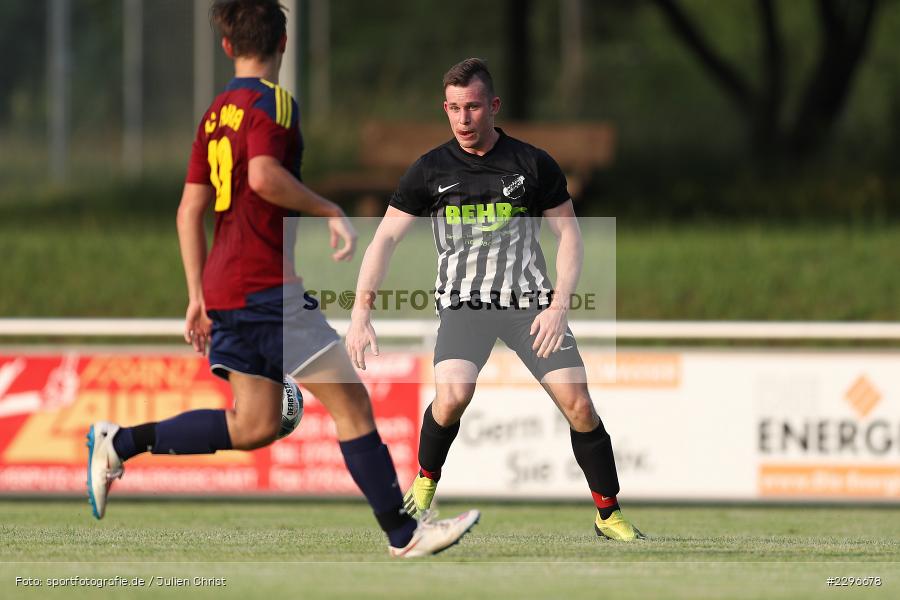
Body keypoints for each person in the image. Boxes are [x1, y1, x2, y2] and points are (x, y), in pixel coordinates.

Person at [86, 0, 478, 558]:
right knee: (352, 406)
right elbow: (264, 177)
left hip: (224, 289)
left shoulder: (214, 113)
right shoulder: (275, 102)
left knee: (254, 425)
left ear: (227, 46)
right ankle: (404, 534)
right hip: (265, 287)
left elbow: (188, 211)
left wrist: (197, 295)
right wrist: (328, 209)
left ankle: (120, 442)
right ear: (283, 43)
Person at [346, 58, 643, 541]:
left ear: (494, 106)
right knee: (453, 397)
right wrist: (360, 314)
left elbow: (570, 236)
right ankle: (426, 479)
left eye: (473, 107)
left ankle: (608, 515)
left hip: (530, 305)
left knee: (579, 405)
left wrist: (558, 306)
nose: (463, 119)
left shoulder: (533, 164)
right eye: (454, 108)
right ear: (445, 108)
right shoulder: (429, 169)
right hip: (464, 305)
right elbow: (384, 240)